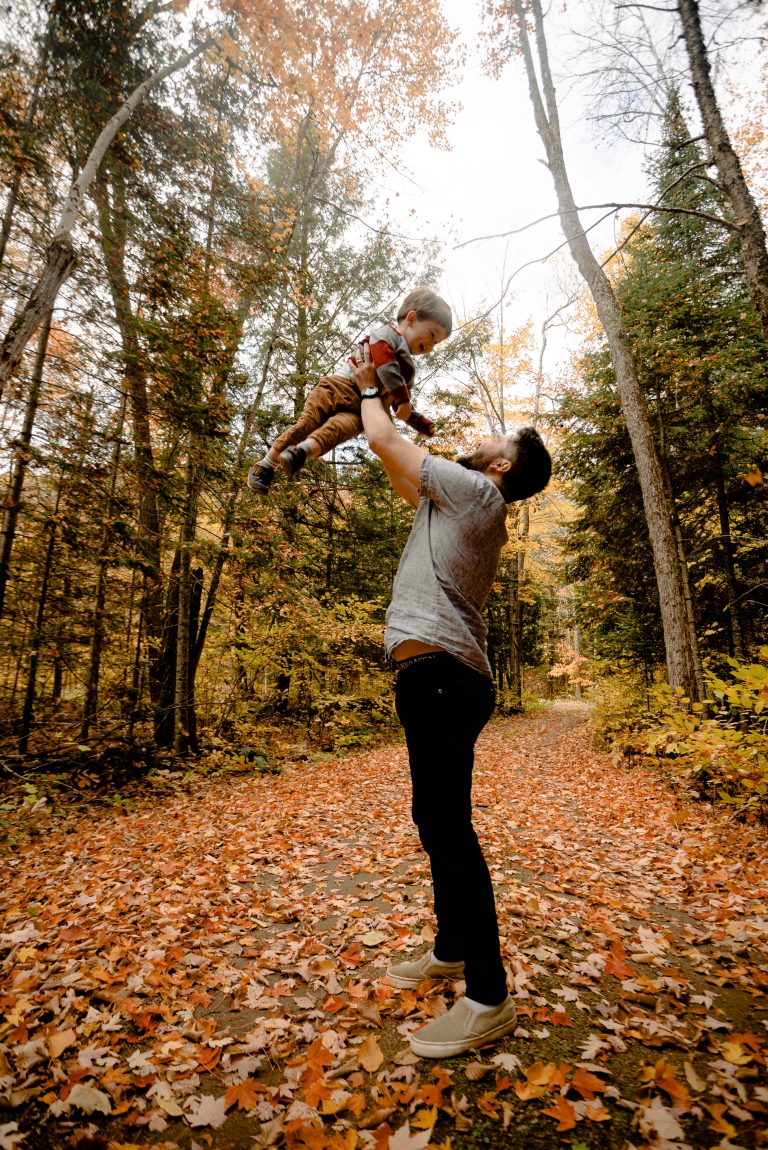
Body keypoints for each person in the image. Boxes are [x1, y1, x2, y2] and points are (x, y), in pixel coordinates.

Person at [353, 343, 552, 1059]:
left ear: (501, 467)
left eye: (497, 438)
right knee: (434, 820)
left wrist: (368, 387)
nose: (484, 436)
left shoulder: (479, 495)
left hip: (444, 677)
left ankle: (489, 997)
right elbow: (392, 462)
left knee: (450, 828)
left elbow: (384, 440)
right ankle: (451, 947)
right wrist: (388, 410)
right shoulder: (453, 502)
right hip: (432, 677)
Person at [247, 287, 451, 494]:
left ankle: (302, 452)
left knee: (338, 431)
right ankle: (266, 465)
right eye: (432, 335)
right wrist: (403, 398)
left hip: (359, 409)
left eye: (436, 343)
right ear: (412, 318)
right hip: (337, 387)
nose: (431, 346)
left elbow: (399, 404)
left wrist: (417, 421)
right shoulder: (388, 335)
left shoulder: (408, 371)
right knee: (308, 424)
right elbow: (385, 364)